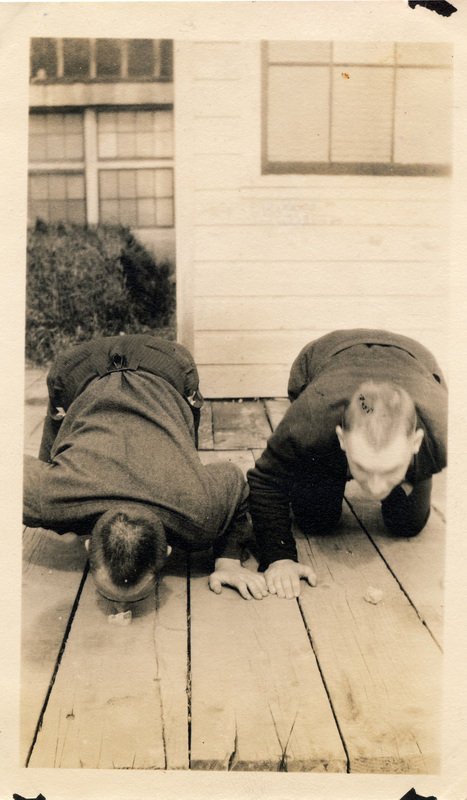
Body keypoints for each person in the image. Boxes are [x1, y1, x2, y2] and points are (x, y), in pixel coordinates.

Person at [23, 334, 268, 608]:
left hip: (157, 366)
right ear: (168, 551)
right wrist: (228, 557)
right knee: (52, 456)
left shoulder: (201, 512)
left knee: (184, 444)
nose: (122, 609)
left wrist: (228, 561)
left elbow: (235, 481)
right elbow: (235, 481)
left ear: (90, 547)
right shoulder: (48, 499)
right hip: (108, 365)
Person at [247, 329, 447, 600]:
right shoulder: (310, 419)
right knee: (316, 520)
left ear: (416, 442)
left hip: (416, 359)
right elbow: (265, 480)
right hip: (325, 356)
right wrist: (279, 557)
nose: (374, 488)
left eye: (389, 470)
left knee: (408, 523)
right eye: (363, 467)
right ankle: (346, 466)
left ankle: (387, 467)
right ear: (341, 438)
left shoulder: (446, 429)